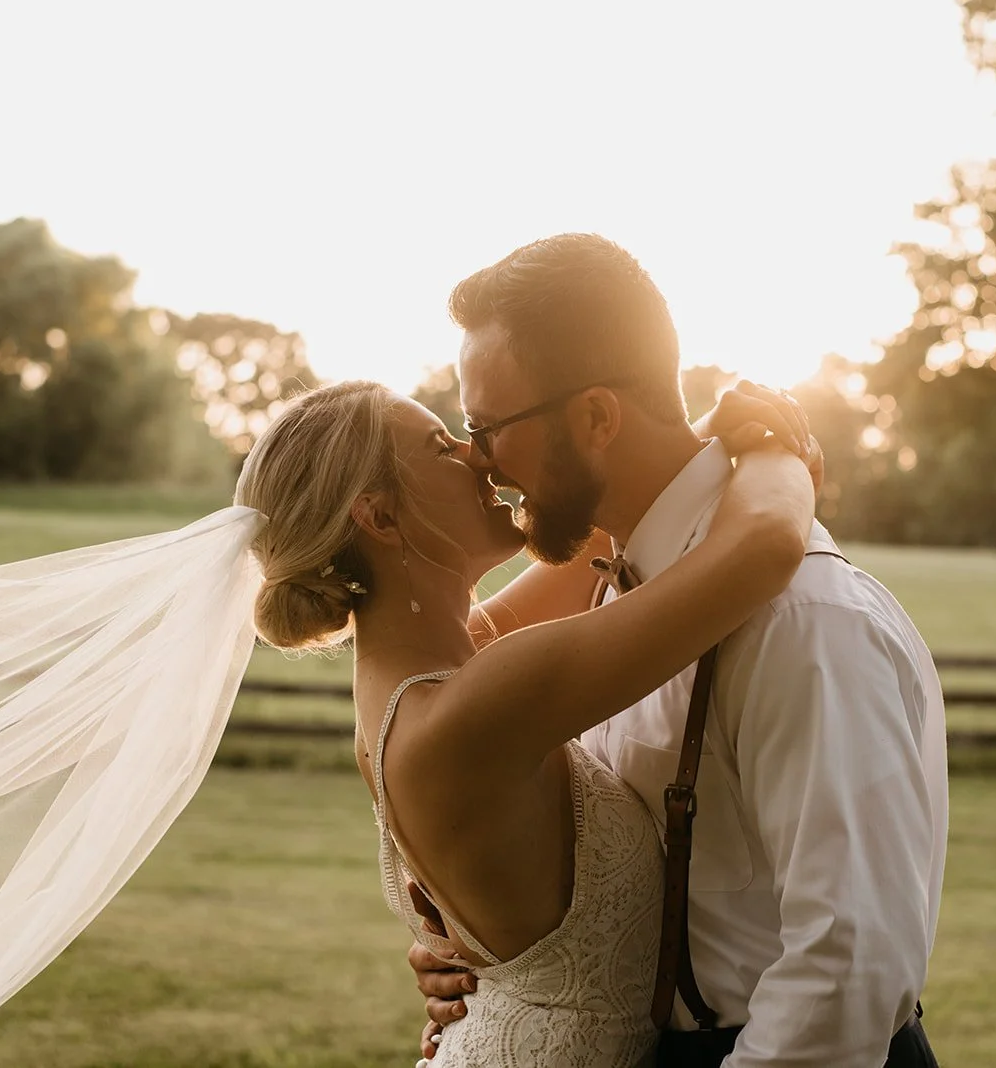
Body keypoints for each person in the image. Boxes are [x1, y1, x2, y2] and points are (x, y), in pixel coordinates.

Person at [410, 233, 949, 1067]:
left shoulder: (802, 622)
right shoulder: (612, 596)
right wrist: (499, 958)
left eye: (487, 427)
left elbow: (848, 967)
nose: (481, 460)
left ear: (596, 417)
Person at [235, 379, 819, 1067]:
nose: (478, 457)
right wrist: (779, 450)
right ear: (383, 519)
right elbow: (763, 548)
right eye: (441, 446)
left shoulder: (418, 678)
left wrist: (693, 435)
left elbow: (609, 527)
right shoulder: (479, 702)